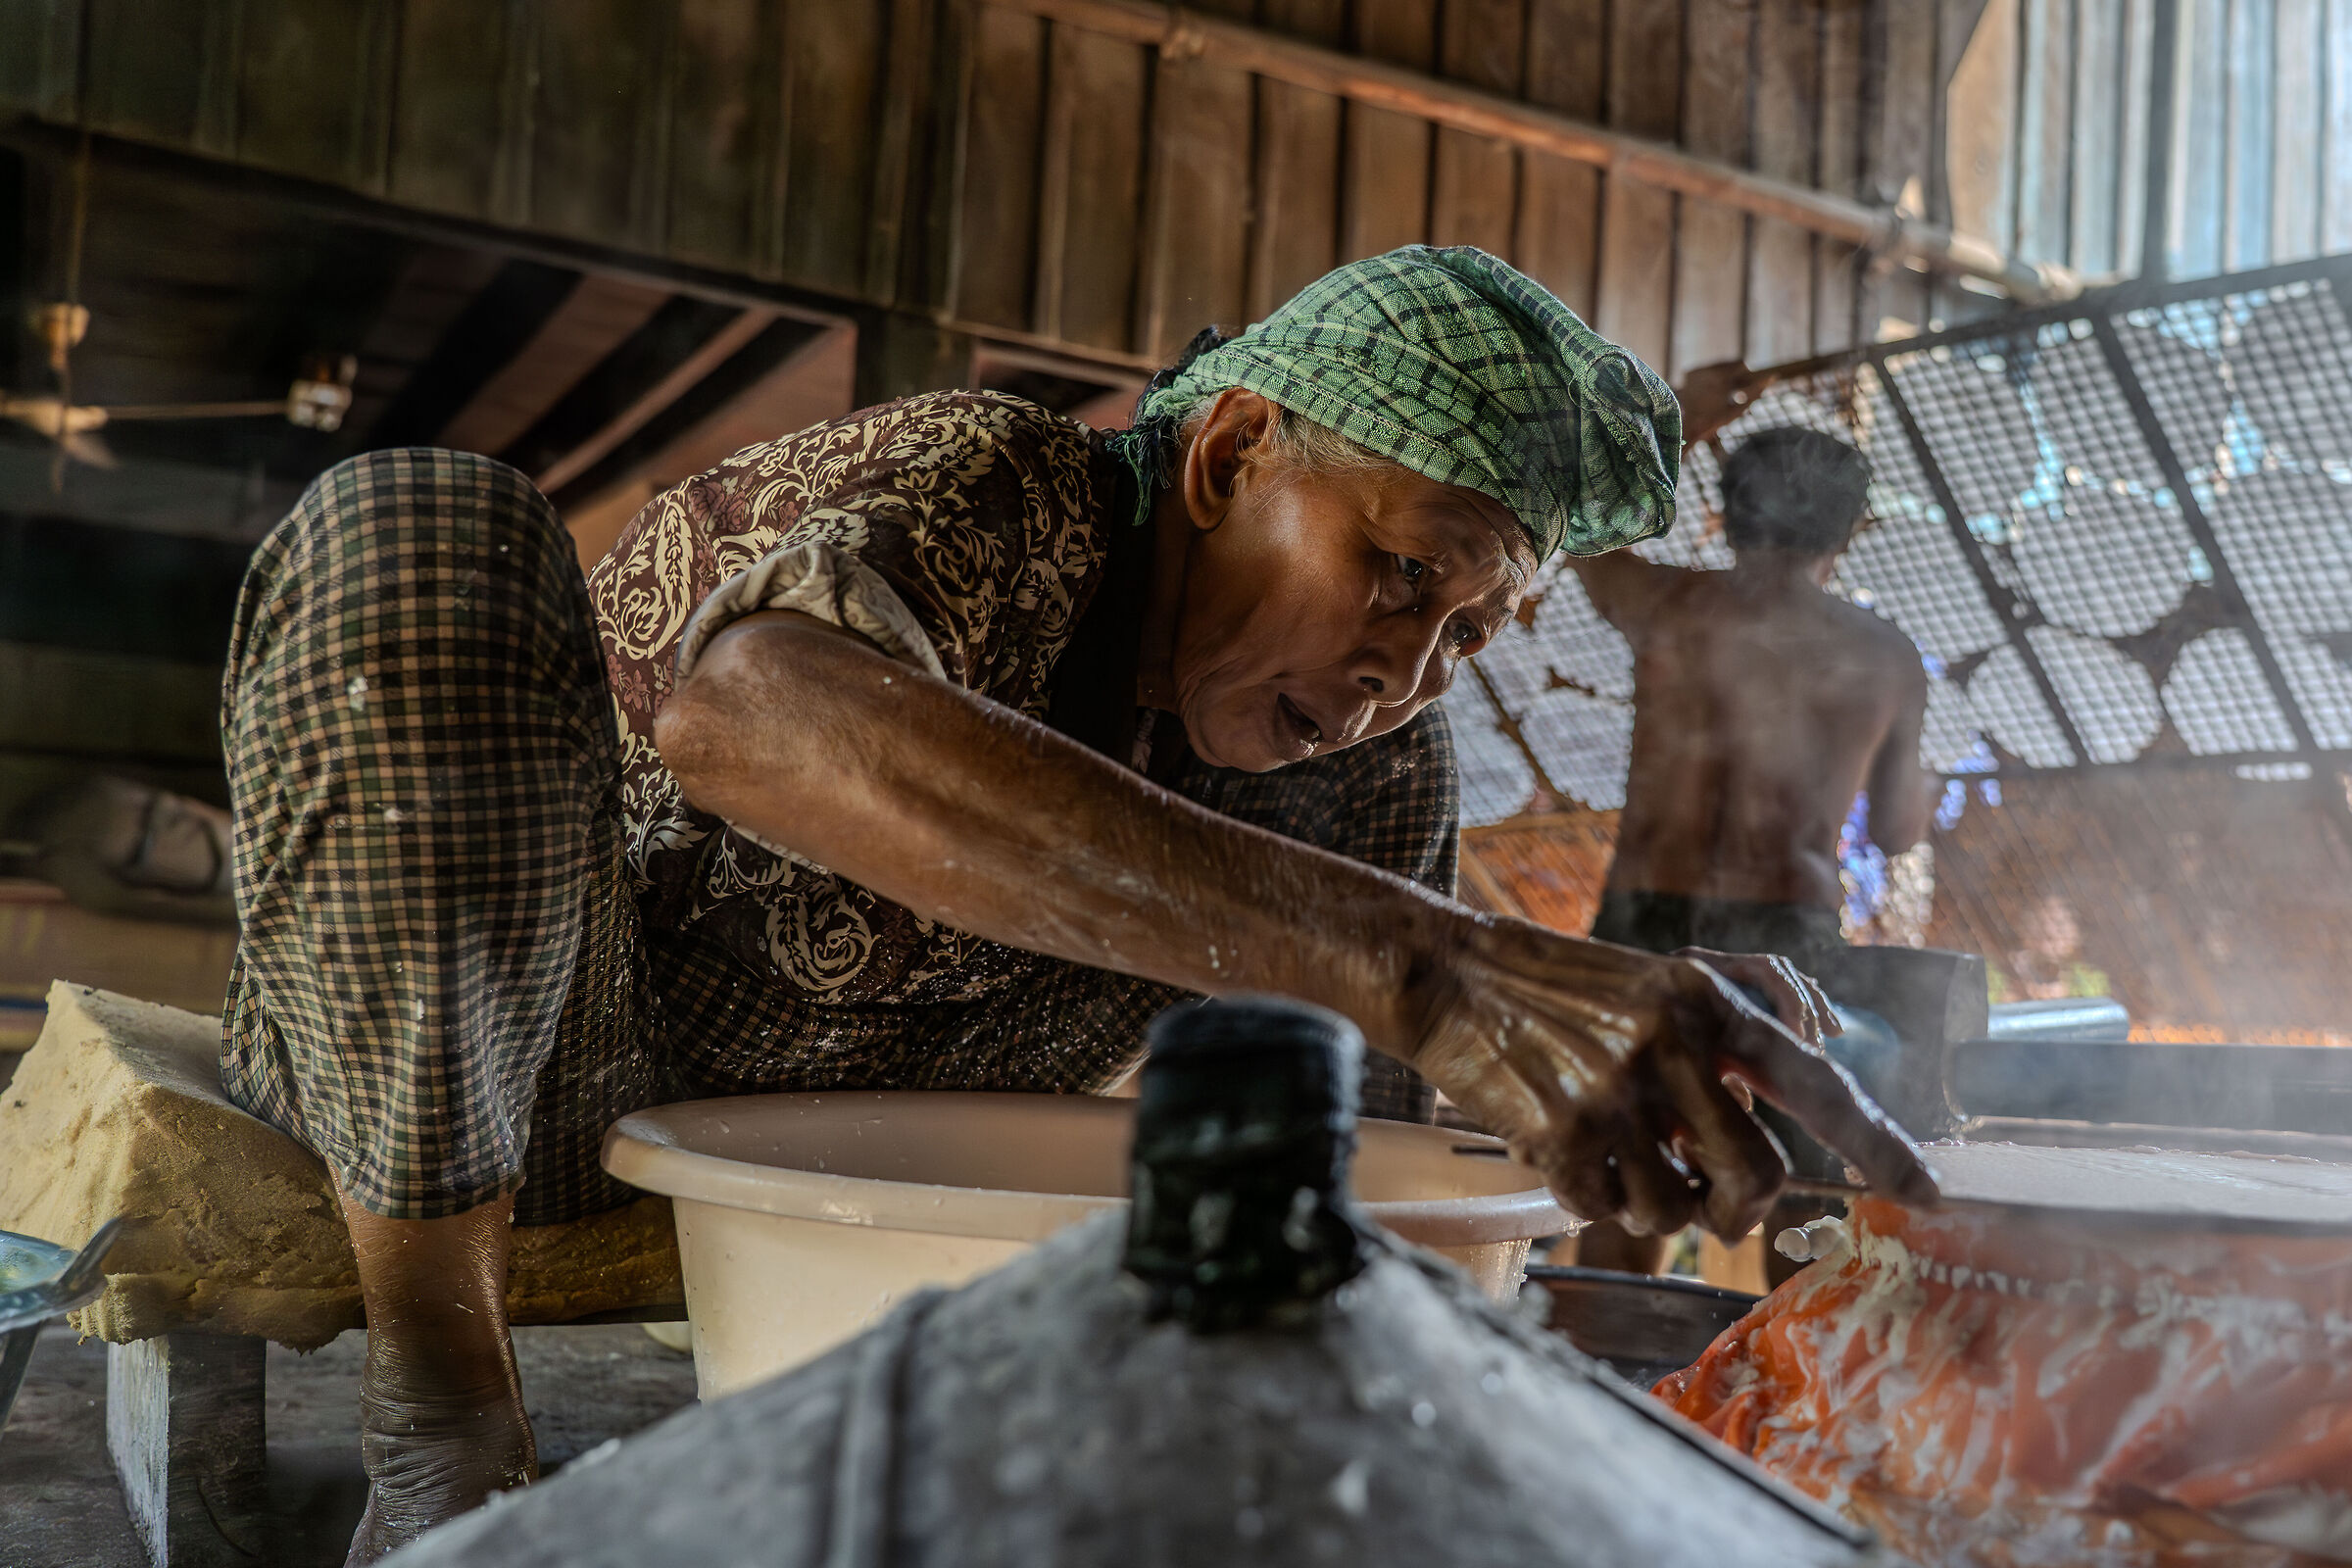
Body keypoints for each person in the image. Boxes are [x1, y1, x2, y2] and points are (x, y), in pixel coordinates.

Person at [217, 247, 1934, 1560]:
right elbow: (752, 720)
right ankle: (438, 1393)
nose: (1409, 665)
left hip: (841, 1188)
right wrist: (1443, 968)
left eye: (1468, 631)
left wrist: (1646, 1291)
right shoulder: (1008, 490)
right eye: (1401, 571)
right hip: (506, 1061)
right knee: (420, 527)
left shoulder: (1360, 766)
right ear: (1231, 455)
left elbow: (1400, 1158)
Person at [1566, 426, 1940, 1273]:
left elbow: (1586, 521)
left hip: (1645, 922)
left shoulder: (1667, 606)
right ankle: (1777, 1380)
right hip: (1788, 938)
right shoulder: (1883, 656)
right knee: (1803, 1195)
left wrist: (1683, 420)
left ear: (1724, 514)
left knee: (1629, 1171)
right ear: (1848, 534)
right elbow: (1894, 831)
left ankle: (1598, 1369)